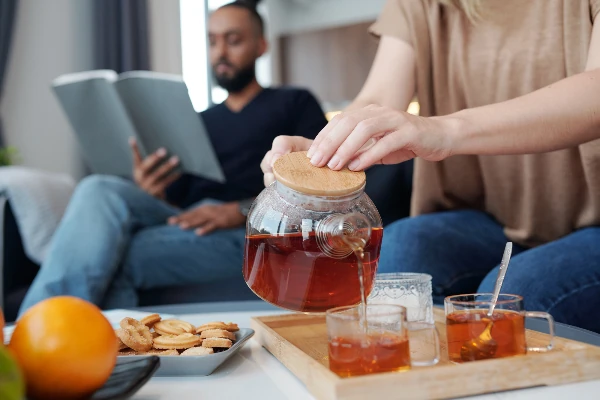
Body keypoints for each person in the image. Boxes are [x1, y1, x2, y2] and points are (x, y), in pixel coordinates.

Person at [261, 0, 600, 332]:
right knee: (402, 249)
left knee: (515, 296)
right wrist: (325, 150)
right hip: (495, 221)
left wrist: (444, 129)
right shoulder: (423, 4)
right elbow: (377, 98)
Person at [18, 0, 328, 315]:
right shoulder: (198, 121)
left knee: (118, 253)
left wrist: (239, 210)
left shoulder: (294, 102)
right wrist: (151, 188)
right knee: (97, 187)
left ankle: (49, 331)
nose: (220, 52)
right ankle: (35, 329)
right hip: (187, 219)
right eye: (212, 41)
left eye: (233, 40)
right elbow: (176, 202)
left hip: (251, 228)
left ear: (261, 46)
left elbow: (320, 184)